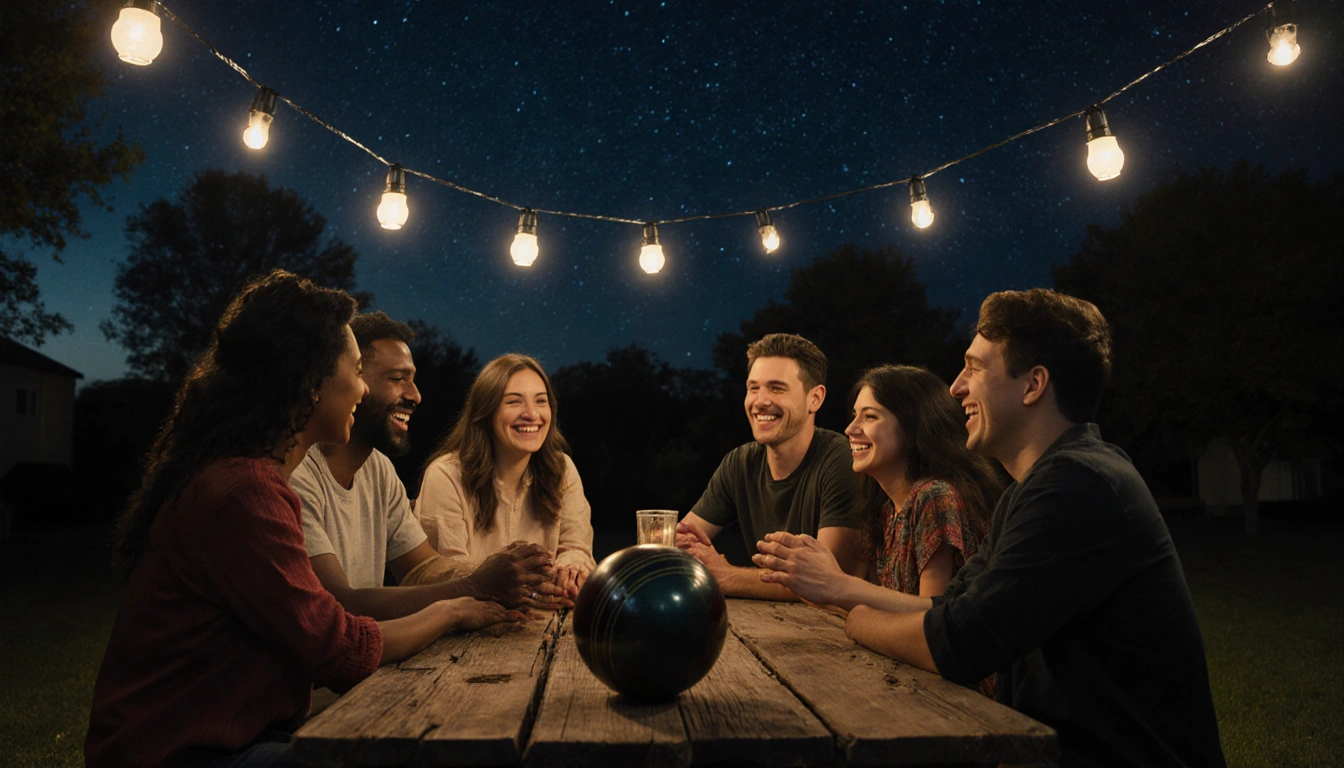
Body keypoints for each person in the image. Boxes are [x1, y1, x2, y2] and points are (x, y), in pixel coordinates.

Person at [756, 289, 1226, 767]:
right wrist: (844, 592)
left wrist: (853, 616)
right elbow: (947, 608)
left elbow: (958, 643)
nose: (957, 387)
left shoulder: (1079, 484)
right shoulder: (1036, 487)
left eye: (974, 368)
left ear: (1033, 385)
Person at [86, 271, 522, 768]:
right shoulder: (243, 494)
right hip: (179, 753)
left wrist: (483, 582)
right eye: (358, 370)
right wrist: (455, 610)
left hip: (237, 737)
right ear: (310, 380)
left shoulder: (250, 480)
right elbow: (341, 649)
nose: (361, 387)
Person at [291, 312, 564, 617]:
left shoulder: (378, 470)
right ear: (351, 379)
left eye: (412, 379)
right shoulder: (297, 474)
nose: (415, 395)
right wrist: (474, 588)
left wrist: (502, 577)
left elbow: (422, 566)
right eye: (397, 379)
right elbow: (340, 605)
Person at [753, 364, 1002, 607]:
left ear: (913, 425)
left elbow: (932, 617)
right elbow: (872, 601)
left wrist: (834, 584)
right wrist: (806, 578)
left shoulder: (935, 497)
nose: (850, 429)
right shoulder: (885, 508)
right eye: (855, 416)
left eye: (870, 416)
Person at [678, 333, 864, 599]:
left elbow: (832, 580)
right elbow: (683, 540)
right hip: (773, 625)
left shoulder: (841, 460)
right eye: (754, 388)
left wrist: (728, 575)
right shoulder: (739, 463)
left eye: (777, 388)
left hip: (834, 630)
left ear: (815, 398)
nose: (760, 401)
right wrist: (681, 551)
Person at [416, 353, 596, 599]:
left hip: (545, 625)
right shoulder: (446, 476)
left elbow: (576, 547)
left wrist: (571, 569)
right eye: (514, 402)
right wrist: (526, 587)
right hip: (464, 631)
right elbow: (447, 575)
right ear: (487, 412)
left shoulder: (562, 470)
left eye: (541, 401)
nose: (532, 414)